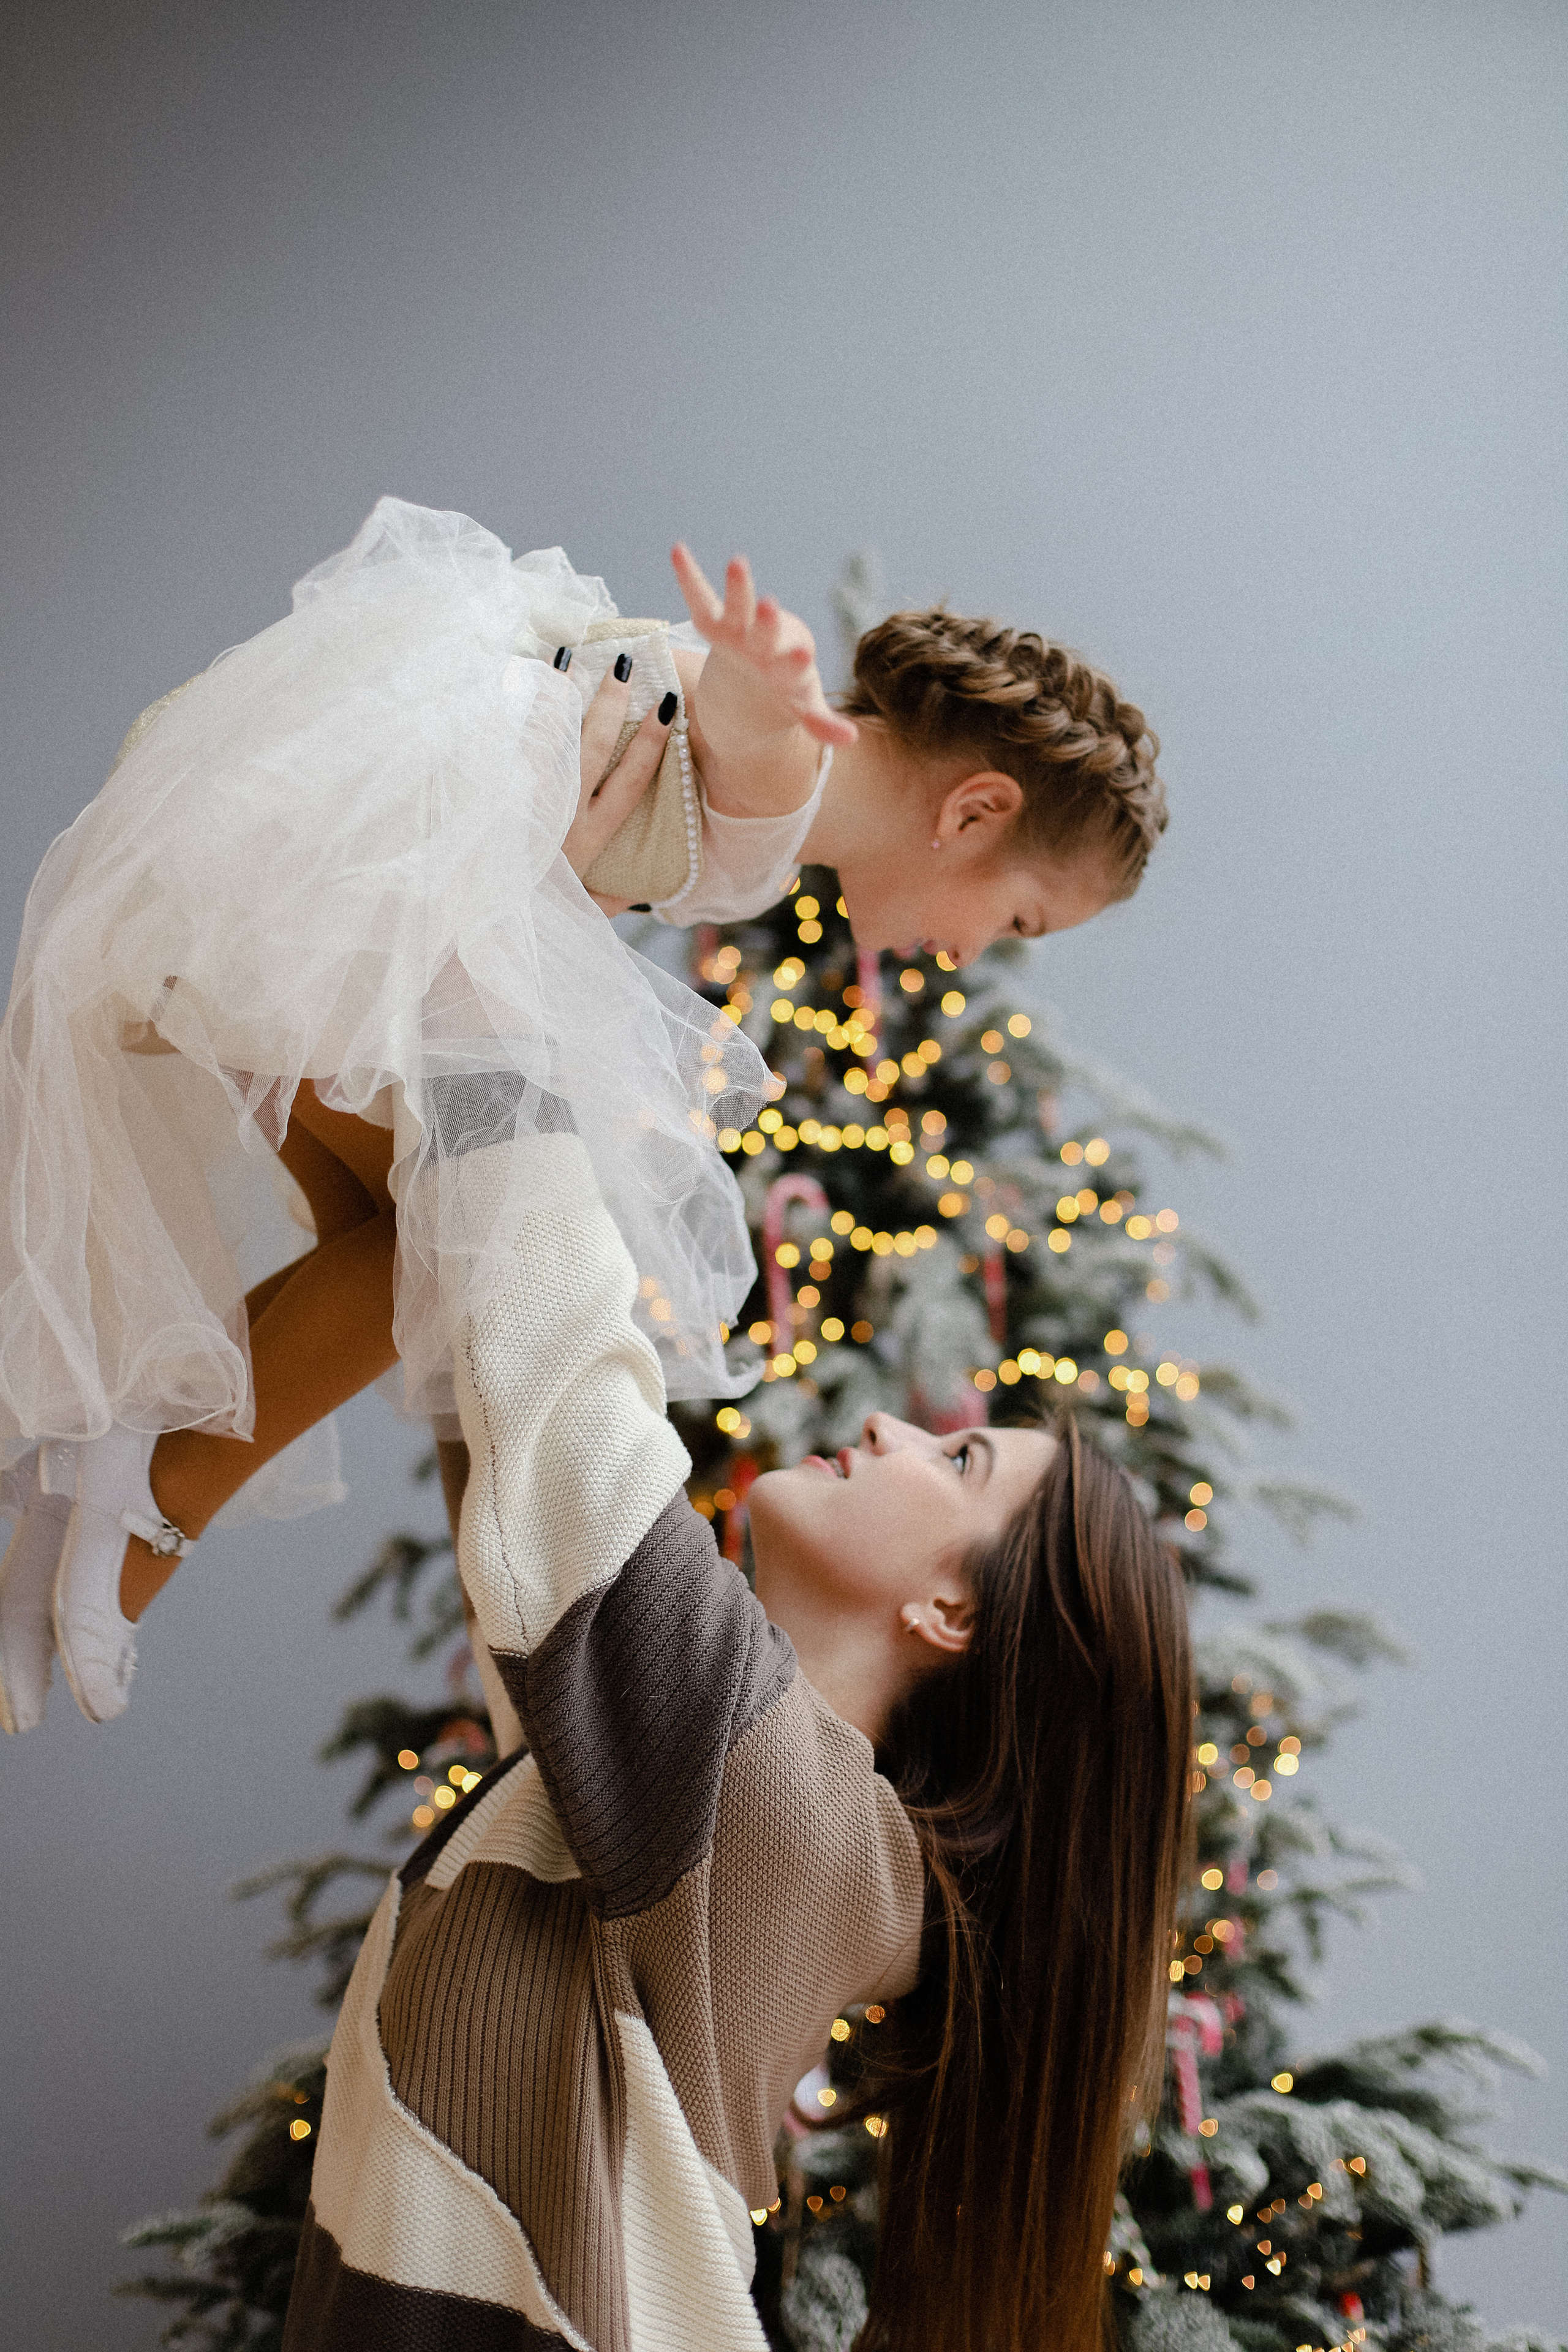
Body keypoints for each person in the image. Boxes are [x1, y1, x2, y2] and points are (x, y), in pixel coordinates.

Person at [0, 499, 1165, 1732]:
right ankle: (139, 1503)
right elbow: (740, 732)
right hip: (338, 889)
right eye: (1020, 920)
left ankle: (90, 1507)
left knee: (420, 1254)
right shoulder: (795, 776)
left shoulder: (783, 819)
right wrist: (758, 687)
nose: (985, 951)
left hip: (317, 880)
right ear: (974, 812)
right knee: (444, 1255)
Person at [279, 1131, 1193, 2352]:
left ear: (953, 1614)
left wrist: (492, 1014)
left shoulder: (763, 1803)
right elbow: (494, 1401)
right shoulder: (700, 1805)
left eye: (957, 1458)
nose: (886, 1427)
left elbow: (560, 1384)